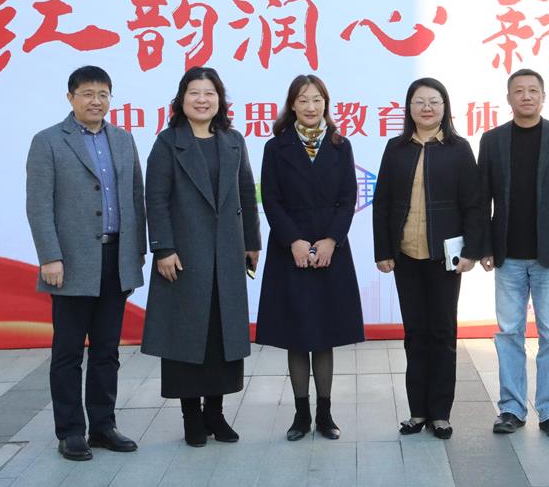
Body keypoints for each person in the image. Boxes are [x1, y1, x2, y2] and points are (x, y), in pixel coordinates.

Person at [26, 65, 146, 461]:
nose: (96, 101)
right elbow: (39, 205)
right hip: (71, 262)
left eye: (103, 94)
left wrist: (136, 253)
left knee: (107, 350)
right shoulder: (48, 142)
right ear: (71, 98)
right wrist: (50, 256)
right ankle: (70, 431)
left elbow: (136, 199)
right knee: (68, 352)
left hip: (116, 258)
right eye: (88, 94)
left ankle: (103, 426)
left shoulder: (123, 140)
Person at [140, 67, 262, 447]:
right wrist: (163, 248)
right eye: (195, 93)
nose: (202, 100)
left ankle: (216, 414)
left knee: (221, 339)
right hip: (184, 257)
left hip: (227, 254)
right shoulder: (168, 142)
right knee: (186, 338)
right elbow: (155, 199)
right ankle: (191, 416)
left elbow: (246, 193)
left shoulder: (233, 140)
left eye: (210, 93)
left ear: (220, 100)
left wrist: (252, 242)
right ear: (182, 100)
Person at [255, 74, 364, 441]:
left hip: (331, 250)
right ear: (292, 105)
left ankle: (325, 414)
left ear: (325, 103)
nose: (311, 106)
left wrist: (332, 240)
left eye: (317, 99)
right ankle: (301, 415)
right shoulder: (276, 147)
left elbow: (348, 199)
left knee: (325, 333)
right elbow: (271, 200)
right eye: (303, 100)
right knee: (298, 335)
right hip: (291, 252)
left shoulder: (340, 145)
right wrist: (295, 242)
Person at [373, 78, 483, 440]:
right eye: (419, 102)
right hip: (406, 254)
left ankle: (441, 413)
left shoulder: (458, 149)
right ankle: (417, 411)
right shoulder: (396, 148)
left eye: (434, 101)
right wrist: (383, 250)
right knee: (415, 333)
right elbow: (382, 202)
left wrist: (471, 251)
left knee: (443, 333)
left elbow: (474, 204)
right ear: (409, 108)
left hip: (444, 257)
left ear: (444, 107)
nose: (426, 108)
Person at [478, 68, 549, 438]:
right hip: (507, 254)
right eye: (519, 91)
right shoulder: (492, 140)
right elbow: (482, 198)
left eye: (533, 91)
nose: (526, 96)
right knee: (509, 333)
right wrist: (484, 246)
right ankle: (511, 408)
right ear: (508, 98)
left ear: (543, 96)